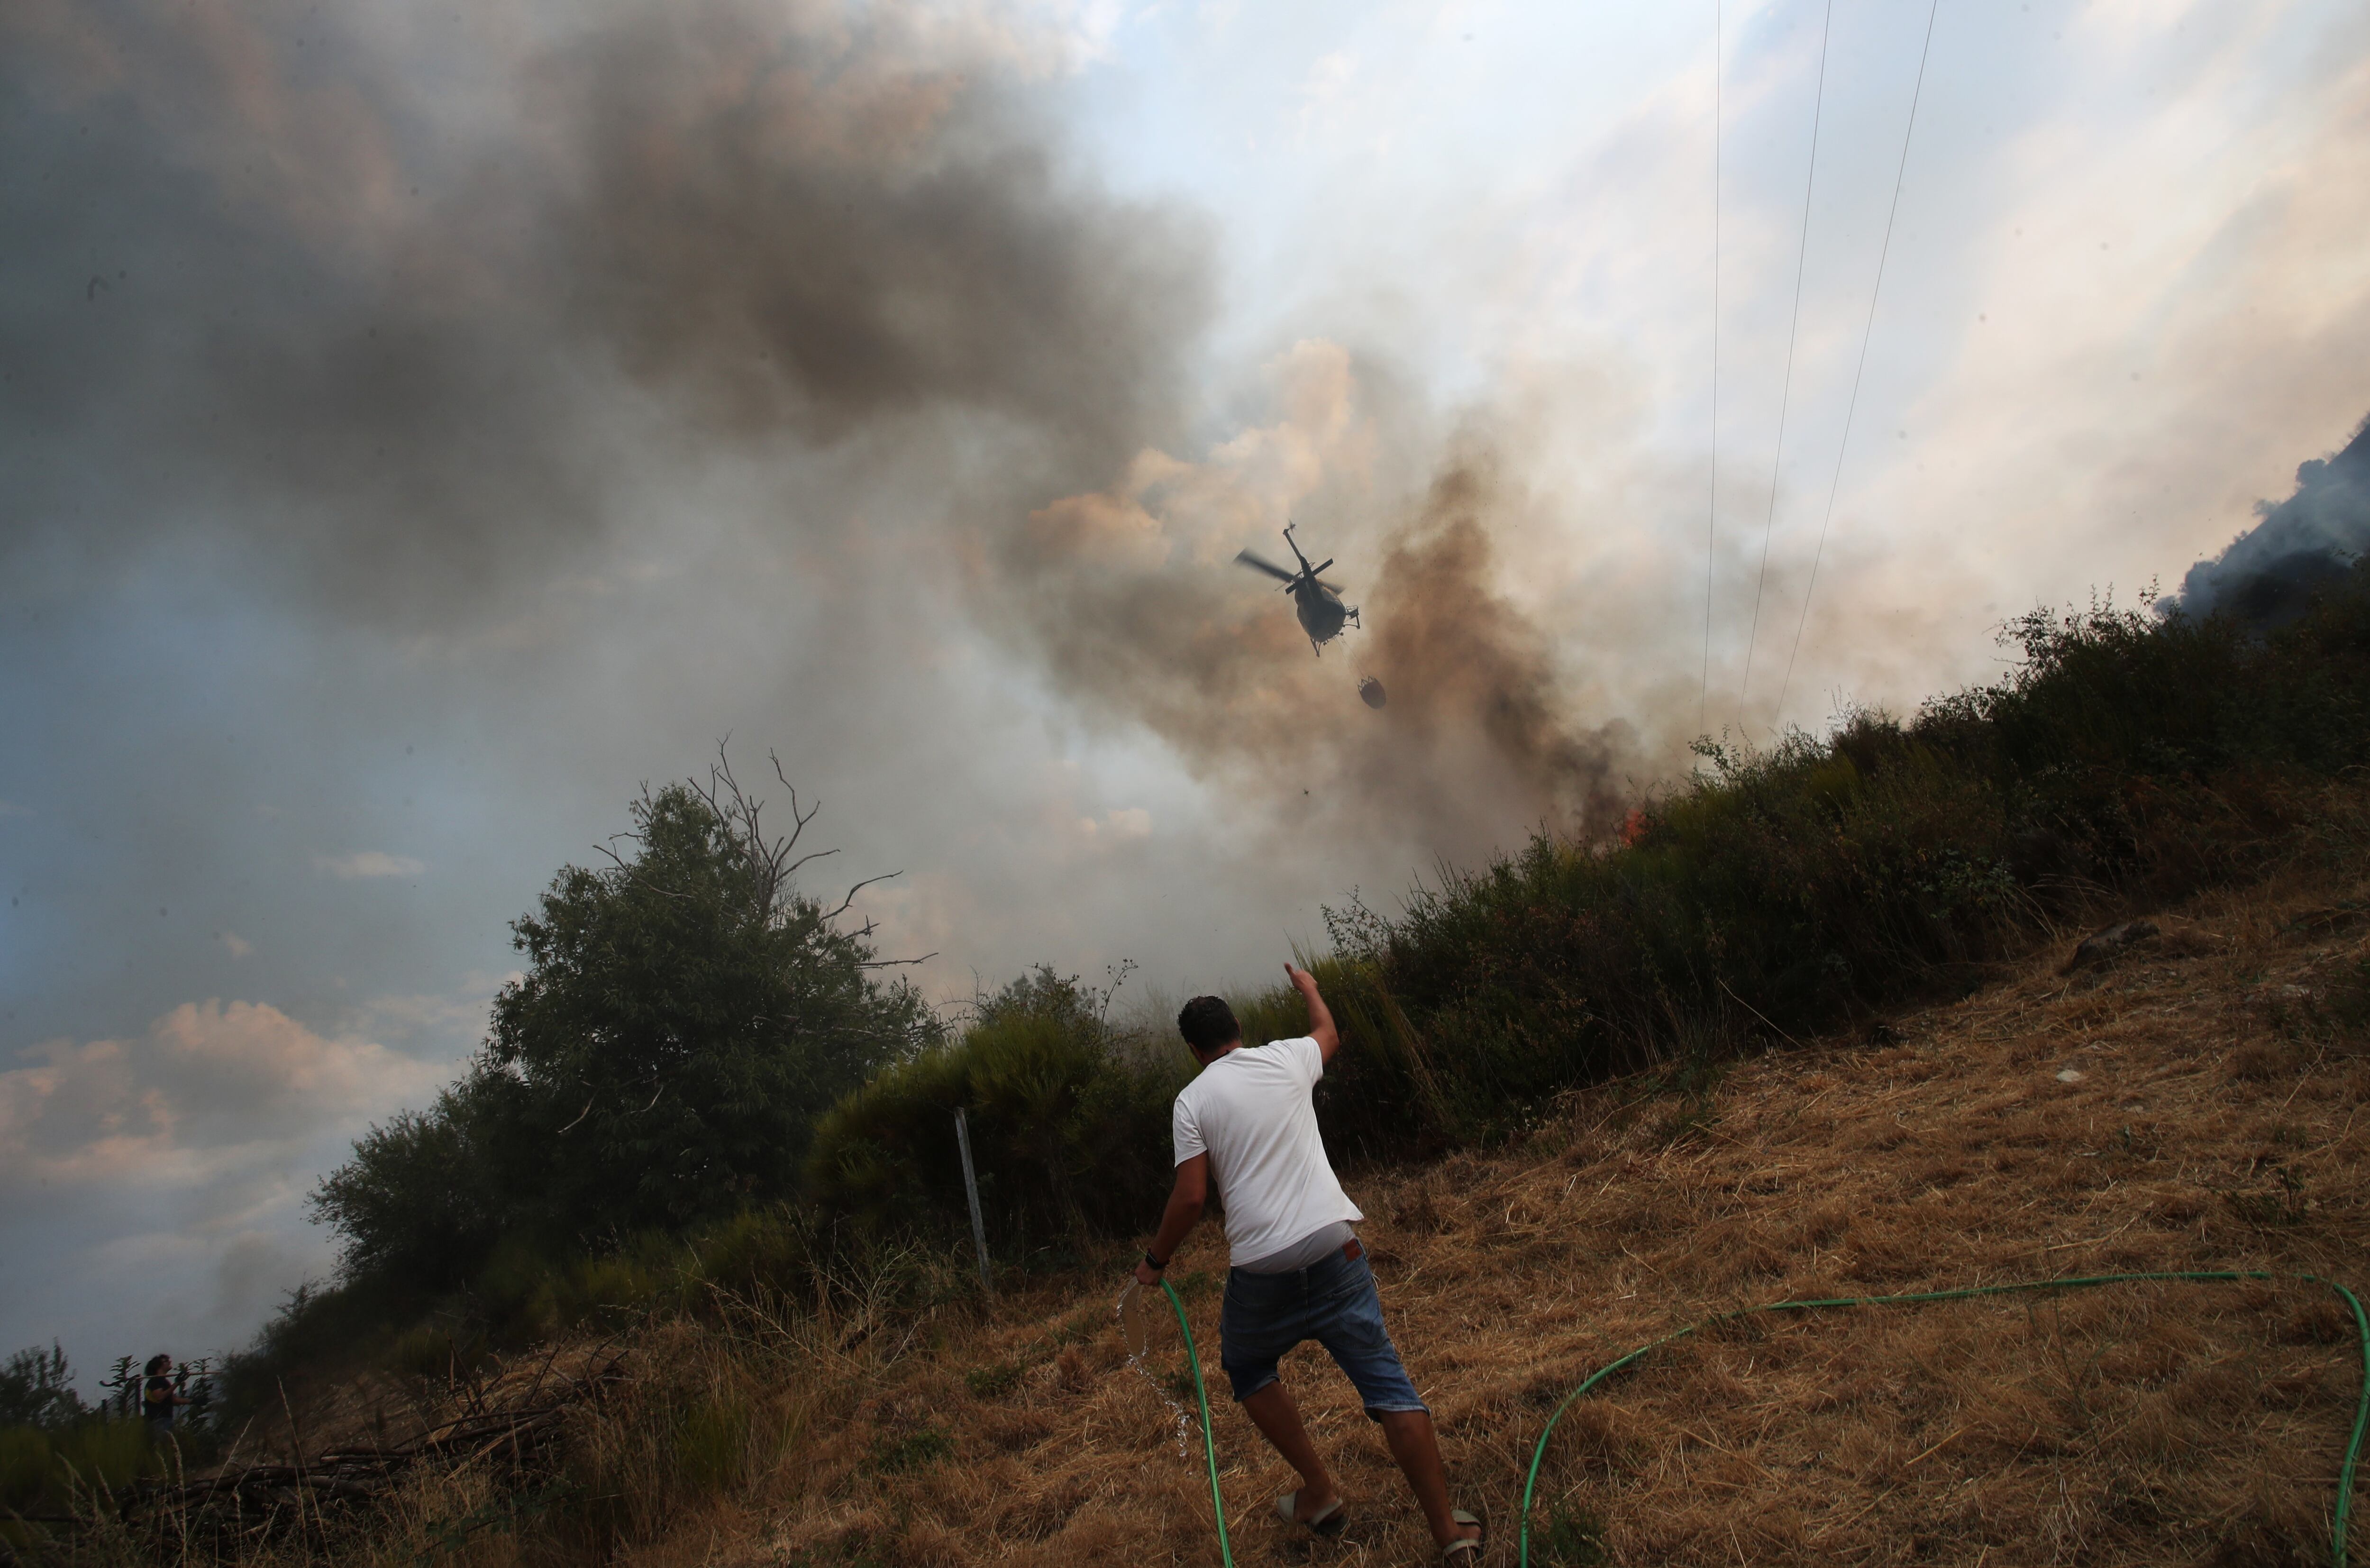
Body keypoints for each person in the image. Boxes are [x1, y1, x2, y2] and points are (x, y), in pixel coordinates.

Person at [1135, 964, 1485, 1561]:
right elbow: (1328, 1031)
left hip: (1261, 1269)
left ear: (1194, 1051)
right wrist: (1309, 989)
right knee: (1387, 1385)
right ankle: (1448, 1535)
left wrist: (1154, 1261)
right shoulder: (1286, 1057)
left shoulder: (1190, 1101)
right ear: (1239, 1029)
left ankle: (1320, 1492)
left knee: (1246, 1367)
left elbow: (1191, 1197)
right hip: (1333, 1247)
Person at [141, 1354, 193, 1440]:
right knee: (165, 1446)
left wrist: (194, 1401)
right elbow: (160, 1397)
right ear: (158, 1366)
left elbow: (173, 1400)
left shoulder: (163, 1381)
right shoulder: (156, 1381)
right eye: (166, 1361)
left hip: (165, 1420)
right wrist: (177, 1383)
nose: (170, 1362)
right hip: (159, 1421)